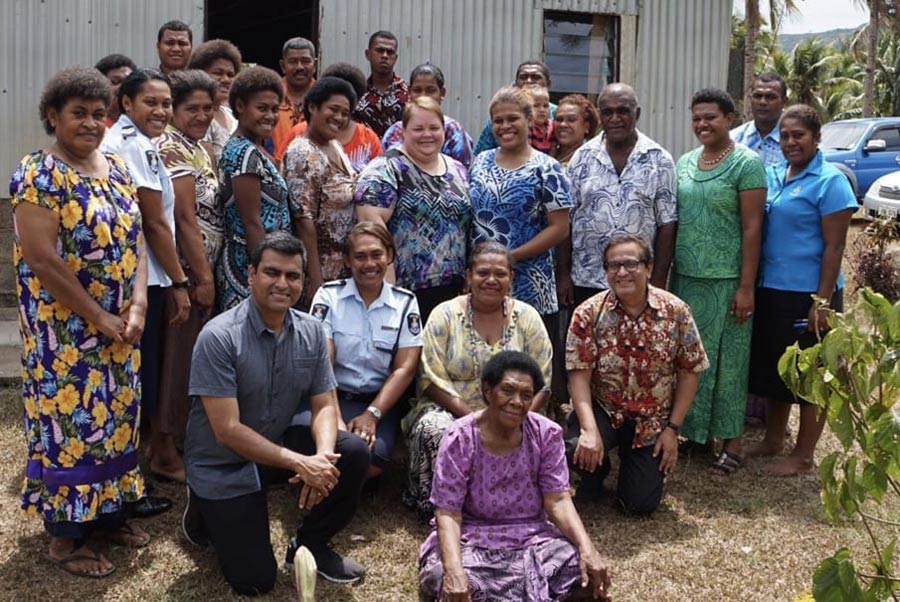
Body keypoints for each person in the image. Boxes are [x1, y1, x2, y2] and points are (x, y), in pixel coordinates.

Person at [11, 67, 150, 579]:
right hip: (64, 334)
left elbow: (134, 242)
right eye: (78, 114)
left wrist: (136, 308)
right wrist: (98, 316)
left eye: (98, 113)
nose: (91, 123)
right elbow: (43, 259)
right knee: (72, 427)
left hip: (120, 329)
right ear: (53, 117)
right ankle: (66, 540)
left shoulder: (114, 168)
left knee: (116, 420)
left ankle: (109, 515)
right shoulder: (38, 174)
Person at [182, 232, 369, 594]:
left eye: (293, 276)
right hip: (223, 461)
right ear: (251, 274)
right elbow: (227, 431)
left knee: (355, 452)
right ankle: (201, 510)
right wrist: (301, 464)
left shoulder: (313, 331)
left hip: (276, 444)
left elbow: (325, 404)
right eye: (272, 272)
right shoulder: (218, 337)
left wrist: (323, 459)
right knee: (255, 581)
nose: (283, 283)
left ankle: (309, 543)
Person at [418, 351, 612, 602]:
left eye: (526, 395)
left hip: (532, 538)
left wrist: (588, 550)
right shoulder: (460, 437)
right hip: (473, 538)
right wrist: (454, 571)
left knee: (584, 572)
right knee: (448, 577)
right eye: (507, 390)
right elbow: (448, 512)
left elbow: (559, 500)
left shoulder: (547, 434)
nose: (517, 402)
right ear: (488, 391)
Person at [744, 104, 857, 476]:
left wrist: (822, 302)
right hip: (771, 288)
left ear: (816, 137)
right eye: (786, 136)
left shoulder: (830, 181)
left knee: (811, 374)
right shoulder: (775, 174)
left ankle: (804, 455)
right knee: (778, 367)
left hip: (809, 293)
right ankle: (774, 439)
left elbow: (835, 247)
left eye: (799, 135)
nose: (791, 142)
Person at [402, 242, 553, 519]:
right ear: (469, 275)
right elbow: (430, 377)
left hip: (516, 411)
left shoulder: (528, 318)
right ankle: (442, 508)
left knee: (540, 431)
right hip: (451, 409)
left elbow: (542, 380)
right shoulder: (444, 314)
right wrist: (475, 419)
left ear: (511, 278)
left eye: (500, 274)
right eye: (483, 273)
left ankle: (507, 504)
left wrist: (517, 417)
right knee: (437, 429)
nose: (491, 280)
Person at [565, 235, 709, 514]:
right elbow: (579, 374)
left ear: (649, 268)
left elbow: (690, 372)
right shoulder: (588, 313)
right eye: (613, 265)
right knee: (573, 448)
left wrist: (672, 430)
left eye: (630, 264)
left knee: (638, 506)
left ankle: (633, 469)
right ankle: (595, 472)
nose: (621, 272)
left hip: (651, 420)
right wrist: (588, 430)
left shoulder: (676, 312)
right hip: (604, 410)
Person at [101, 69, 191, 505]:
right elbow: (154, 222)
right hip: (144, 280)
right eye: (151, 102)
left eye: (165, 102)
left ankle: (148, 462)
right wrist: (180, 281)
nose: (161, 111)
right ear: (127, 104)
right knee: (144, 376)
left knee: (144, 375)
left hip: (142, 276)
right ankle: (145, 468)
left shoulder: (139, 142)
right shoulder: (130, 145)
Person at [671, 88, 766, 474]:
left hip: (727, 280)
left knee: (728, 362)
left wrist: (746, 286)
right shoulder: (685, 162)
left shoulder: (747, 163)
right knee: (691, 360)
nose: (702, 124)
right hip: (687, 278)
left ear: (730, 118)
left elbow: (753, 226)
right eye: (696, 118)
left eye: (710, 117)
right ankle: (696, 434)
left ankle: (733, 442)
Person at [307, 222, 422, 479]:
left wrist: (372, 414)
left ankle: (343, 481)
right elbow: (322, 360)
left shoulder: (405, 303)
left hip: (376, 403)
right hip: (330, 397)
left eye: (376, 254)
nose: (369, 263)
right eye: (360, 256)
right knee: (324, 443)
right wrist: (333, 415)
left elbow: (406, 368)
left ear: (389, 256)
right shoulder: (328, 297)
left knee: (372, 458)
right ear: (348, 260)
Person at [154, 70, 222, 482]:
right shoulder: (172, 148)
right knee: (176, 361)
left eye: (207, 108)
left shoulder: (200, 147)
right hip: (181, 271)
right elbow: (183, 218)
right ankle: (162, 448)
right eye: (190, 108)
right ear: (175, 110)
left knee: (188, 358)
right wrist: (202, 278)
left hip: (198, 268)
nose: (200, 115)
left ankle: (173, 438)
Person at [558, 83, 677, 310]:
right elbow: (567, 221)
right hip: (586, 279)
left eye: (623, 111)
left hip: (638, 281)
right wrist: (563, 275)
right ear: (599, 115)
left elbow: (667, 224)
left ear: (637, 113)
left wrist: (659, 281)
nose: (615, 118)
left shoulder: (659, 159)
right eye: (608, 112)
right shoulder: (581, 158)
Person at [355, 96, 471, 323]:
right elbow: (371, 229)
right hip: (404, 291)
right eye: (418, 128)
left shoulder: (458, 169)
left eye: (434, 128)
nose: (427, 134)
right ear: (403, 131)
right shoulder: (385, 169)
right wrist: (388, 295)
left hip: (454, 293)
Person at [469, 86, 572, 328]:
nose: (505, 126)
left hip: (531, 283)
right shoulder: (481, 161)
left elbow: (560, 228)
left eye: (513, 118)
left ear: (529, 119)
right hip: (484, 283)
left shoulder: (548, 168)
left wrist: (509, 258)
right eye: (498, 121)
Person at [216, 66, 292, 312]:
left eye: (274, 109)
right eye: (262, 108)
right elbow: (251, 222)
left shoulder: (256, 149)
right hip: (248, 266)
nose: (270, 116)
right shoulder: (242, 153)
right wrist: (265, 273)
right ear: (240, 106)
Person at [282, 76, 357, 303]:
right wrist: (314, 279)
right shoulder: (304, 153)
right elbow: (303, 218)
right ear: (313, 107)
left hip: (340, 270)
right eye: (333, 109)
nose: (340, 118)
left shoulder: (333, 145)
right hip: (320, 270)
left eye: (345, 113)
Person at [278, 62, 383, 173]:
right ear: (313, 107)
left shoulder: (366, 139)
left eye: (344, 111)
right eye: (333, 108)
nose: (338, 117)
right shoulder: (299, 141)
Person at [380, 63, 474, 167]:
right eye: (417, 90)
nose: (423, 96)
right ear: (409, 92)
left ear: (442, 93)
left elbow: (459, 175)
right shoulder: (394, 132)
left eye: (430, 90)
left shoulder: (454, 132)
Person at [473, 60, 556, 155]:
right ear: (516, 83)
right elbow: (482, 154)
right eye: (523, 77)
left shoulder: (558, 115)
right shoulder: (501, 115)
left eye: (535, 77)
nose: (529, 81)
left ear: (548, 83)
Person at [188, 39, 242, 163]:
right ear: (200, 74)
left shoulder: (231, 114)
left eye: (230, 74)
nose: (226, 79)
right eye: (218, 73)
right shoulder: (199, 117)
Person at [354, 30, 409, 137]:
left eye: (390, 52)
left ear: (395, 58)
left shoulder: (409, 93)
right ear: (367, 54)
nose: (385, 56)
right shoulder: (357, 94)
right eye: (380, 50)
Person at [273, 37, 318, 161]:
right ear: (282, 66)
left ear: (314, 65)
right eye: (293, 61)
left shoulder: (325, 99)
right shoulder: (270, 97)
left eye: (305, 61)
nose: (299, 67)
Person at [731, 72, 788, 168]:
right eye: (757, 96)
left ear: (784, 101)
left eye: (770, 97)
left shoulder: (795, 143)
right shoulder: (733, 140)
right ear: (750, 99)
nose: (763, 102)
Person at [549, 93, 599, 167]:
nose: (563, 124)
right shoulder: (545, 152)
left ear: (586, 127)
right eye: (559, 119)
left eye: (571, 120)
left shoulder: (592, 161)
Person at [94, 54, 137, 126]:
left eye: (128, 82)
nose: (123, 86)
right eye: (115, 81)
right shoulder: (94, 125)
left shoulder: (143, 126)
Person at [527, 86, 554, 153]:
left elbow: (554, 148)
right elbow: (527, 148)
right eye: (536, 105)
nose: (542, 110)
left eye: (545, 106)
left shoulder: (552, 125)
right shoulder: (528, 127)